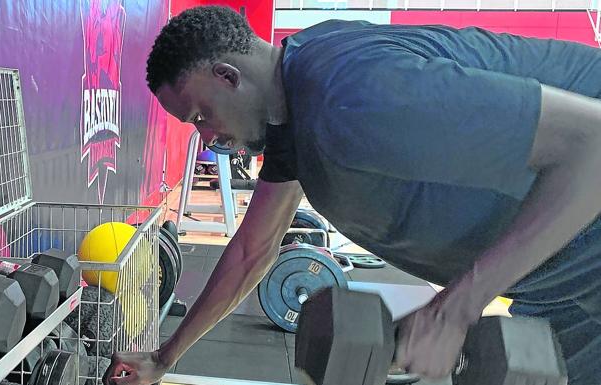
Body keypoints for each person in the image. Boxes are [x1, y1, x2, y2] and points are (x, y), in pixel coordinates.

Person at [103, 6, 601, 385]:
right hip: (563, 289)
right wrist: (164, 358)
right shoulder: (292, 118)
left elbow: (592, 144)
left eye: (200, 117)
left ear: (229, 78)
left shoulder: (355, 96)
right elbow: (252, 251)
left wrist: (457, 305)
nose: (207, 138)